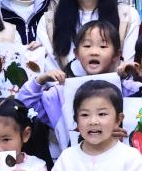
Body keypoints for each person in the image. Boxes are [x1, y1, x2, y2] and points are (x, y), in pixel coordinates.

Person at [19, 20, 131, 157]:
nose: (94, 52)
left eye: (102, 46)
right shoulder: (61, 94)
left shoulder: (126, 89)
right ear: (76, 53)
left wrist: (135, 75)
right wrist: (40, 80)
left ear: (116, 55)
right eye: (87, 46)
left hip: (119, 165)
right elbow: (24, 105)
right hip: (75, 167)